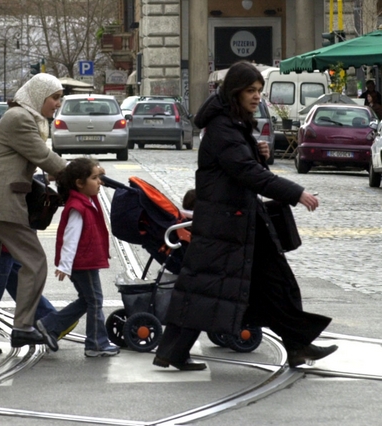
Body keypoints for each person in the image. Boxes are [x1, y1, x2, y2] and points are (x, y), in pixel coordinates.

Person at [153, 61, 337, 371]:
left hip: (243, 221)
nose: (256, 97)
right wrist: (295, 193)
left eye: (259, 91)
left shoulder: (233, 122)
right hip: (226, 225)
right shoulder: (224, 127)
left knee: (275, 284)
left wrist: (261, 154)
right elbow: (246, 173)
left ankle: (297, 346)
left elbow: (245, 167)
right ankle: (171, 352)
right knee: (206, 288)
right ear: (235, 92)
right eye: (250, 91)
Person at [0, 73, 66, 355]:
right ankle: (24, 327)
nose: (58, 103)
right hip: (0, 202)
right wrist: (82, 173)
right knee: (35, 261)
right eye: (54, 97)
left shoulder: (18, 117)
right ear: (39, 95)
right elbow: (43, 156)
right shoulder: (20, 119)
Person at [35, 158, 119, 357]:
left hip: (85, 260)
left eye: (99, 177)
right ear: (80, 183)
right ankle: (96, 344)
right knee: (95, 300)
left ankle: (49, 325)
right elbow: (70, 238)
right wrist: (65, 265)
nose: (100, 182)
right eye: (95, 178)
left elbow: (94, 176)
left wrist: (97, 171)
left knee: (87, 300)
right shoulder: (78, 207)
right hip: (82, 263)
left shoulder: (87, 198)